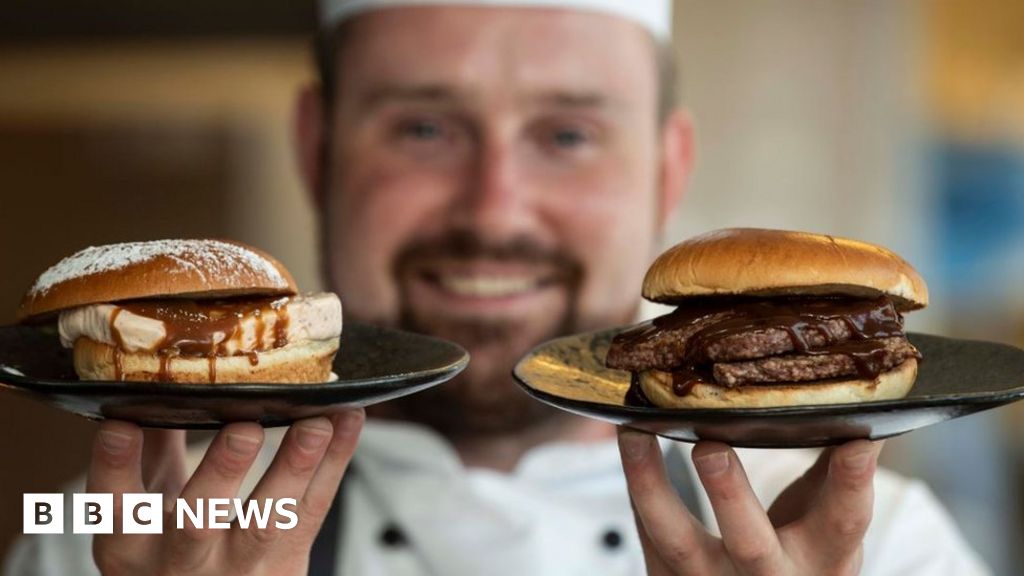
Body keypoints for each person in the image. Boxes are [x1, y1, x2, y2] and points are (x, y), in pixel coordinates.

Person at [4, 1, 990, 574]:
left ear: (665, 171)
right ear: (316, 151)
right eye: (423, 129)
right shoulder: (113, 523)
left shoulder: (889, 544)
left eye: (567, 135)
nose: (494, 206)